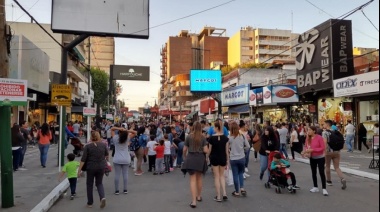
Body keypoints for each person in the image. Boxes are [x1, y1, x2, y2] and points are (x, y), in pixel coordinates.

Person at [78, 131, 109, 208]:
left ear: (91, 137)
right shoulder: (103, 145)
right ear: (99, 137)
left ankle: (90, 202)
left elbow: (83, 159)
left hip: (90, 167)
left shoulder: (88, 147)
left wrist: (79, 170)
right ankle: (102, 197)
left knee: (89, 184)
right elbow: (107, 155)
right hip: (101, 167)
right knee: (99, 183)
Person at [182, 122, 209, 208]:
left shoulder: (189, 136)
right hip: (200, 158)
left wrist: (185, 156)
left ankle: (193, 201)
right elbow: (206, 150)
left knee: (192, 180)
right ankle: (199, 196)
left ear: (192, 127)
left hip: (191, 157)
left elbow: (184, 149)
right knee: (199, 178)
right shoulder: (203, 137)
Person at [303, 126, 329, 196]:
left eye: (310, 130)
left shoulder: (319, 137)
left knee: (321, 172)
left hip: (320, 157)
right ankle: (315, 187)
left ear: (314, 131)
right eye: (308, 130)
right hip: (312, 157)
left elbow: (322, 147)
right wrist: (305, 151)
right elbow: (306, 146)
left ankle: (324, 188)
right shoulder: (308, 138)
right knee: (313, 172)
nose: (308, 131)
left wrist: (313, 150)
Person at [207, 121, 229, 202]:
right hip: (223, 157)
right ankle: (224, 193)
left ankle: (218, 196)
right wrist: (227, 160)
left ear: (216, 128)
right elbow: (227, 151)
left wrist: (206, 157)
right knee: (222, 176)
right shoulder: (225, 138)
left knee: (216, 176)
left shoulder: (211, 138)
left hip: (214, 158)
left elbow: (209, 150)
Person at [323, 120, 347, 190]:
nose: (323, 125)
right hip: (337, 152)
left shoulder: (325, 133)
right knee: (337, 167)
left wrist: (324, 152)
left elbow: (325, 143)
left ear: (327, 125)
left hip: (328, 152)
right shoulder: (337, 132)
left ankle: (329, 181)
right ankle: (342, 178)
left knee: (327, 166)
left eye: (324, 124)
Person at [228, 122, 250, 197]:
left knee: (235, 174)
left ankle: (237, 191)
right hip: (241, 157)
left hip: (233, 158)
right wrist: (243, 149)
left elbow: (227, 148)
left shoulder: (229, 137)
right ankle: (242, 188)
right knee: (241, 173)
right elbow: (248, 146)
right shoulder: (242, 136)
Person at [112, 129, 131, 195]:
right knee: (125, 174)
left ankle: (117, 190)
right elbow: (135, 132)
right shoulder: (127, 138)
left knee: (117, 175)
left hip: (117, 158)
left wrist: (119, 128)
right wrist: (126, 130)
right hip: (126, 158)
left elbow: (112, 129)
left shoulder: (115, 138)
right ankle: (125, 189)